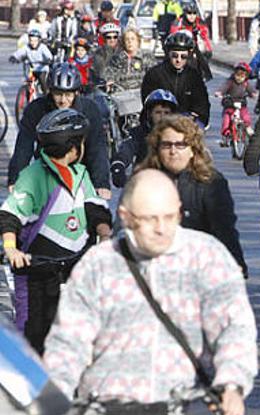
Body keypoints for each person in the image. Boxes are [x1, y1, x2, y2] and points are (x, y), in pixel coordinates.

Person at [43, 169, 258, 415]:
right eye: (150, 218)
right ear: (126, 217)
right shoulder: (98, 265)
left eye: (171, 216)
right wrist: (56, 393)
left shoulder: (207, 255)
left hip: (189, 407)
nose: (162, 228)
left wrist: (232, 382)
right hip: (111, 412)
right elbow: (69, 338)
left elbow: (234, 325)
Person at [0, 108, 111, 355]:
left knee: (81, 335)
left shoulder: (81, 175)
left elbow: (95, 210)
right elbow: (10, 215)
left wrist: (104, 235)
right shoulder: (34, 176)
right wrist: (11, 249)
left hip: (75, 269)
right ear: (73, 149)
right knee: (34, 337)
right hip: (38, 271)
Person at [135, 115, 248, 275]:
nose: (173, 151)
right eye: (166, 145)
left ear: (193, 150)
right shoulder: (143, 180)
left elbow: (224, 228)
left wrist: (235, 265)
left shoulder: (211, 182)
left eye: (180, 145)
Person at [9, 63, 110, 198]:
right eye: (58, 94)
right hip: (46, 171)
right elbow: (24, 145)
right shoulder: (36, 109)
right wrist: (16, 179)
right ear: (50, 92)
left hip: (80, 172)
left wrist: (101, 183)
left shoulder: (90, 109)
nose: (63, 100)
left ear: (76, 92)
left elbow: (97, 148)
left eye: (68, 95)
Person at [111, 89, 178, 186]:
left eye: (166, 113)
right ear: (149, 114)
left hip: (174, 185)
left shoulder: (180, 134)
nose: (162, 116)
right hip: (144, 184)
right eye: (158, 112)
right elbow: (126, 149)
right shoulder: (138, 133)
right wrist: (118, 165)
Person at [142, 32, 211, 127]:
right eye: (174, 55)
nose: (178, 60)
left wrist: (196, 117)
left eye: (183, 57)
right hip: (161, 122)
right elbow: (148, 103)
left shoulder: (194, 76)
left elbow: (202, 104)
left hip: (186, 123)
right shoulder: (154, 74)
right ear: (168, 53)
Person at [215, 62, 257, 147]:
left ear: (245, 77)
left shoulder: (246, 84)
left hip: (241, 104)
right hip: (230, 104)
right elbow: (223, 87)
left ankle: (247, 127)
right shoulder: (230, 82)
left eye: (242, 76)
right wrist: (219, 93)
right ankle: (226, 134)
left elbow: (251, 90)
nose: (239, 78)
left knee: (245, 115)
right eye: (237, 75)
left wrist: (253, 94)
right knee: (226, 119)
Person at [170, 2, 213, 81]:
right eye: (189, 13)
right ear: (185, 13)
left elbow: (205, 36)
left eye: (194, 13)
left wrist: (208, 49)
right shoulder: (179, 21)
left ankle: (205, 75)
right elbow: (173, 32)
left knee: (201, 56)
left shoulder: (199, 22)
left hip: (194, 45)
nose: (192, 16)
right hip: (180, 44)